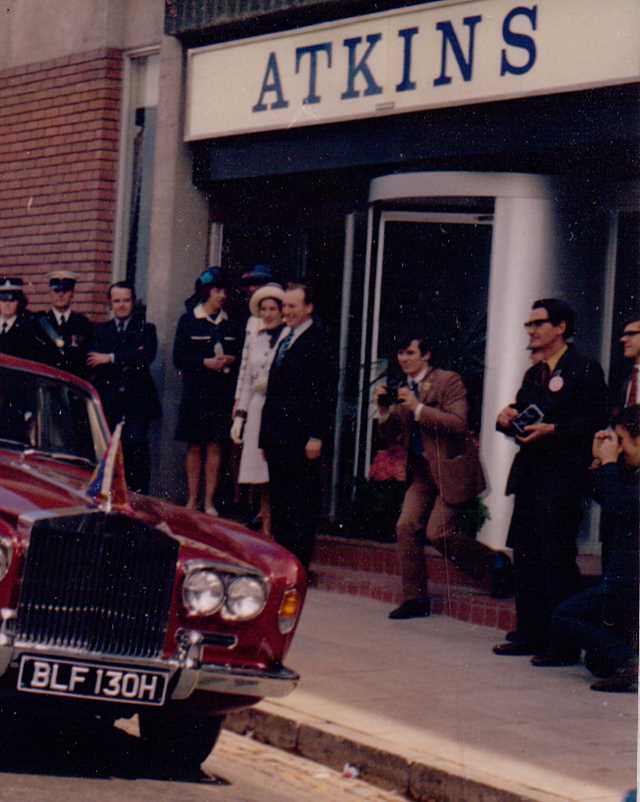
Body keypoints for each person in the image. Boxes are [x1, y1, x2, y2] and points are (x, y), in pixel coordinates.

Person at [493, 299, 608, 657]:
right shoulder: (535, 372)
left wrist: (554, 430)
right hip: (531, 475)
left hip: (562, 478)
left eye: (539, 323)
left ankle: (562, 643)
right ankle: (531, 631)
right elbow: (524, 417)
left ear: (561, 328)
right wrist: (507, 419)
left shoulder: (584, 368)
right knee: (526, 554)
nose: (531, 330)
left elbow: (594, 420)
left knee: (555, 557)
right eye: (528, 324)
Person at [375, 333, 510, 620]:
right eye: (400, 353)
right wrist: (384, 411)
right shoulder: (403, 387)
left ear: (426, 355)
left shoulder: (448, 381)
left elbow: (459, 423)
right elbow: (390, 436)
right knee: (406, 525)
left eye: (410, 352)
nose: (404, 359)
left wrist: (418, 408)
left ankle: (495, 564)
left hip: (451, 468)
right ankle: (415, 599)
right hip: (423, 470)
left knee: (438, 533)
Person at [533, 405, 639, 694]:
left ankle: (630, 660)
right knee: (598, 660)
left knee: (565, 615)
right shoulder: (631, 471)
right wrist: (598, 463)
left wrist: (608, 465)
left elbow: (621, 505)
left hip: (630, 580)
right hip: (623, 577)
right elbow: (607, 497)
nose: (617, 449)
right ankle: (624, 658)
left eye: (621, 441)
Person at [259, 282, 330, 570]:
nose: (286, 311)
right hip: (278, 436)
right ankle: (283, 562)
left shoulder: (318, 340)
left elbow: (324, 392)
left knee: (301, 501)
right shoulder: (285, 336)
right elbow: (274, 390)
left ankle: (298, 565)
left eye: (292, 306)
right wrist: (264, 437)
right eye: (284, 306)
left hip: (302, 438)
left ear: (308, 308)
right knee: (281, 500)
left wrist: (317, 435)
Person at [173, 267, 241, 515]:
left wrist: (230, 360)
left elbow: (241, 354)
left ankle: (209, 501)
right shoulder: (189, 320)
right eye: (217, 290)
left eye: (224, 291)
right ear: (206, 292)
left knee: (215, 445)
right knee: (194, 446)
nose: (222, 295)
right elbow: (179, 358)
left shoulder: (230, 323)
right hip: (195, 393)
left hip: (220, 394)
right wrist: (203, 362)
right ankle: (192, 499)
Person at [87, 281, 161, 494]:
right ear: (110, 303)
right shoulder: (100, 330)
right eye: (117, 301)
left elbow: (145, 356)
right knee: (108, 454)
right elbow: (93, 360)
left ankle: (138, 500)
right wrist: (127, 357)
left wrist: (110, 358)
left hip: (137, 404)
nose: (121, 305)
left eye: (126, 300)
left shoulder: (146, 328)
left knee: (135, 453)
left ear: (133, 302)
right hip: (109, 403)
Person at [230, 284, 286, 537]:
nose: (268, 313)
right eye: (263, 309)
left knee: (276, 474)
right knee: (260, 476)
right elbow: (245, 378)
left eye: (273, 308)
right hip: (256, 408)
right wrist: (240, 414)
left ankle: (276, 527)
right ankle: (265, 529)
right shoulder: (255, 337)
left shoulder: (287, 337)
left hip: (277, 408)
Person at [35, 271, 93, 377]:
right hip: (46, 382)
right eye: (56, 290)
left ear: (72, 293)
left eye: (65, 290)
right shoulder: (39, 323)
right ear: (50, 293)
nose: (60, 295)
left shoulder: (83, 323)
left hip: (73, 384)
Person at [0, 276, 43, 362]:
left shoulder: (30, 328)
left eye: (12, 300)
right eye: (3, 299)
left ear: (20, 301)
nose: (7, 304)